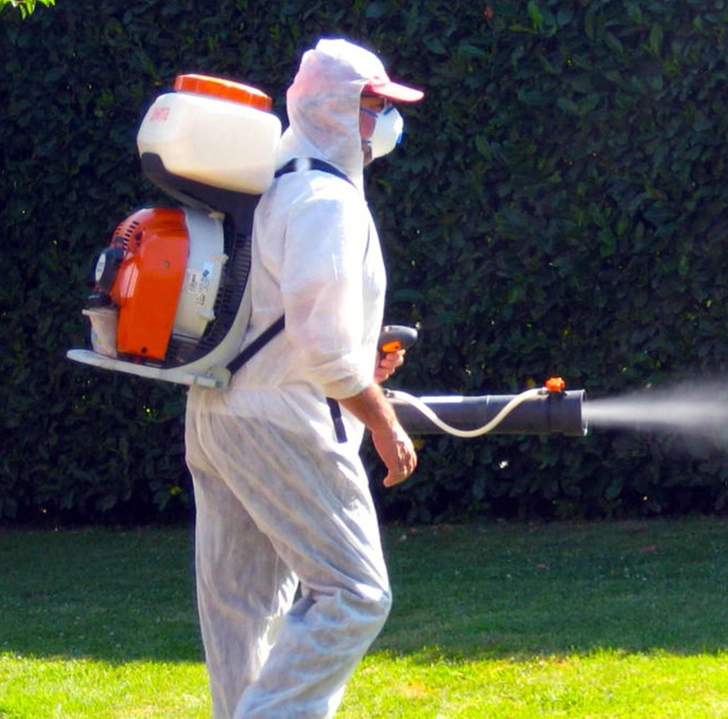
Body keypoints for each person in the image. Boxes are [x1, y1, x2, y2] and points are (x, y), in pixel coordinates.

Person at [183, 38, 422, 719]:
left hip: (219, 411)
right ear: (340, 110)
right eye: (376, 104)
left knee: (243, 609)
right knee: (355, 592)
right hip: (281, 421)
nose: (386, 120)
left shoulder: (270, 176)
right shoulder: (325, 199)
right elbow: (321, 350)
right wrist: (382, 419)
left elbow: (283, 320)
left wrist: (358, 364)